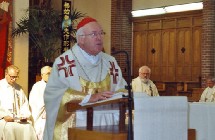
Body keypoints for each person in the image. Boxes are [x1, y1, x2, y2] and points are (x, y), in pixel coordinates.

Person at [43, 17, 127, 140]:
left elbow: (122, 89)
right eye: (94, 34)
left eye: (101, 33)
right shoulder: (65, 62)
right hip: (77, 126)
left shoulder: (110, 61)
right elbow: (53, 95)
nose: (99, 37)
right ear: (81, 38)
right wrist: (87, 98)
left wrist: (122, 95)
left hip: (106, 126)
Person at [0, 65, 37, 140]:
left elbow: (24, 104)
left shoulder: (18, 88)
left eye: (16, 77)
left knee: (28, 127)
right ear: (6, 74)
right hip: (3, 120)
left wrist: (24, 115)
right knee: (9, 129)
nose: (14, 79)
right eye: (12, 77)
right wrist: (3, 116)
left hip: (17, 119)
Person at [29, 66, 52, 140]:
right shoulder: (37, 86)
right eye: (48, 73)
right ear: (42, 75)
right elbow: (34, 103)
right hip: (41, 117)